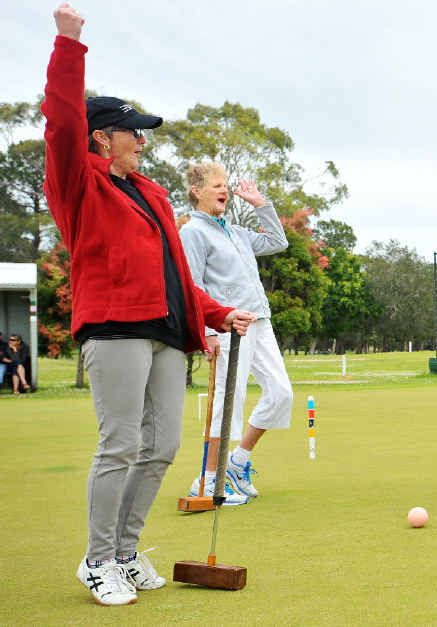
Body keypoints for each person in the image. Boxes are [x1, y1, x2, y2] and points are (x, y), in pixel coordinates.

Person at [43, 4, 255, 606]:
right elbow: (60, 122)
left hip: (166, 331)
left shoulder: (151, 193)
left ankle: (128, 552)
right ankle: (97, 559)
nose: (142, 141)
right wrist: (68, 46)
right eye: (133, 132)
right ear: (101, 138)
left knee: (161, 447)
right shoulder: (77, 180)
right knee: (121, 444)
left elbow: (175, 272)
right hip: (114, 330)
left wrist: (216, 313)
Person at [179, 162, 293, 503]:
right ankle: (208, 479)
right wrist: (206, 332)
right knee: (229, 404)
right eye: (216, 185)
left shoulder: (236, 230)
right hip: (227, 327)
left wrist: (261, 204)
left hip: (260, 321)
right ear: (197, 191)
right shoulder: (192, 233)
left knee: (281, 393)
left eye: (225, 184)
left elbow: (277, 241)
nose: (224, 190)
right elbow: (193, 286)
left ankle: (238, 462)